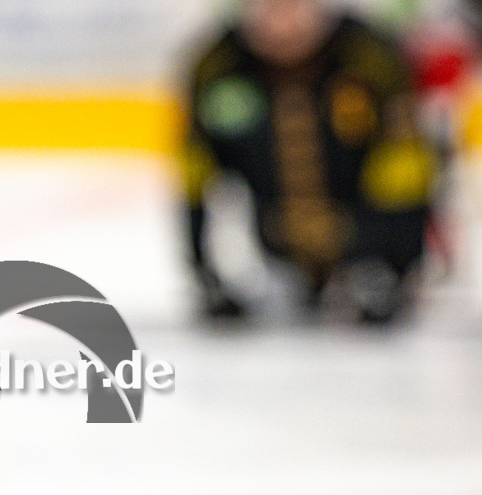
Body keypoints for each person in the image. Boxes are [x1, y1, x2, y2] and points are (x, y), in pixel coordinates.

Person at [183, 0, 437, 322]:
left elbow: (408, 165)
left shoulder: (368, 56)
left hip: (363, 231)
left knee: (407, 160)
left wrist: (393, 268)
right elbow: (193, 173)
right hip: (272, 244)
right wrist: (206, 273)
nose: (282, 19)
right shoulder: (218, 66)